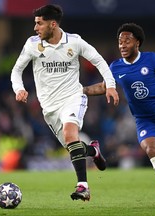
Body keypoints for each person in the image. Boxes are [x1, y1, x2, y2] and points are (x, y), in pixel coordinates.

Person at [10, 4, 119, 201]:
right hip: (49, 107)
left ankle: (83, 187)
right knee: (73, 145)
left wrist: (110, 85)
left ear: (53, 24)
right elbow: (16, 70)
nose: (35, 28)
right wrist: (19, 89)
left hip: (72, 97)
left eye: (39, 24)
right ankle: (94, 150)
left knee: (71, 135)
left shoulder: (74, 42)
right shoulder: (32, 44)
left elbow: (99, 60)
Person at [83, 23, 155, 204]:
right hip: (144, 119)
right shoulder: (115, 67)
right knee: (151, 149)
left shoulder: (152, 59)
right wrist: (80, 90)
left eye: (127, 41)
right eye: (120, 42)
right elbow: (103, 87)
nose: (122, 45)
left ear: (137, 43)